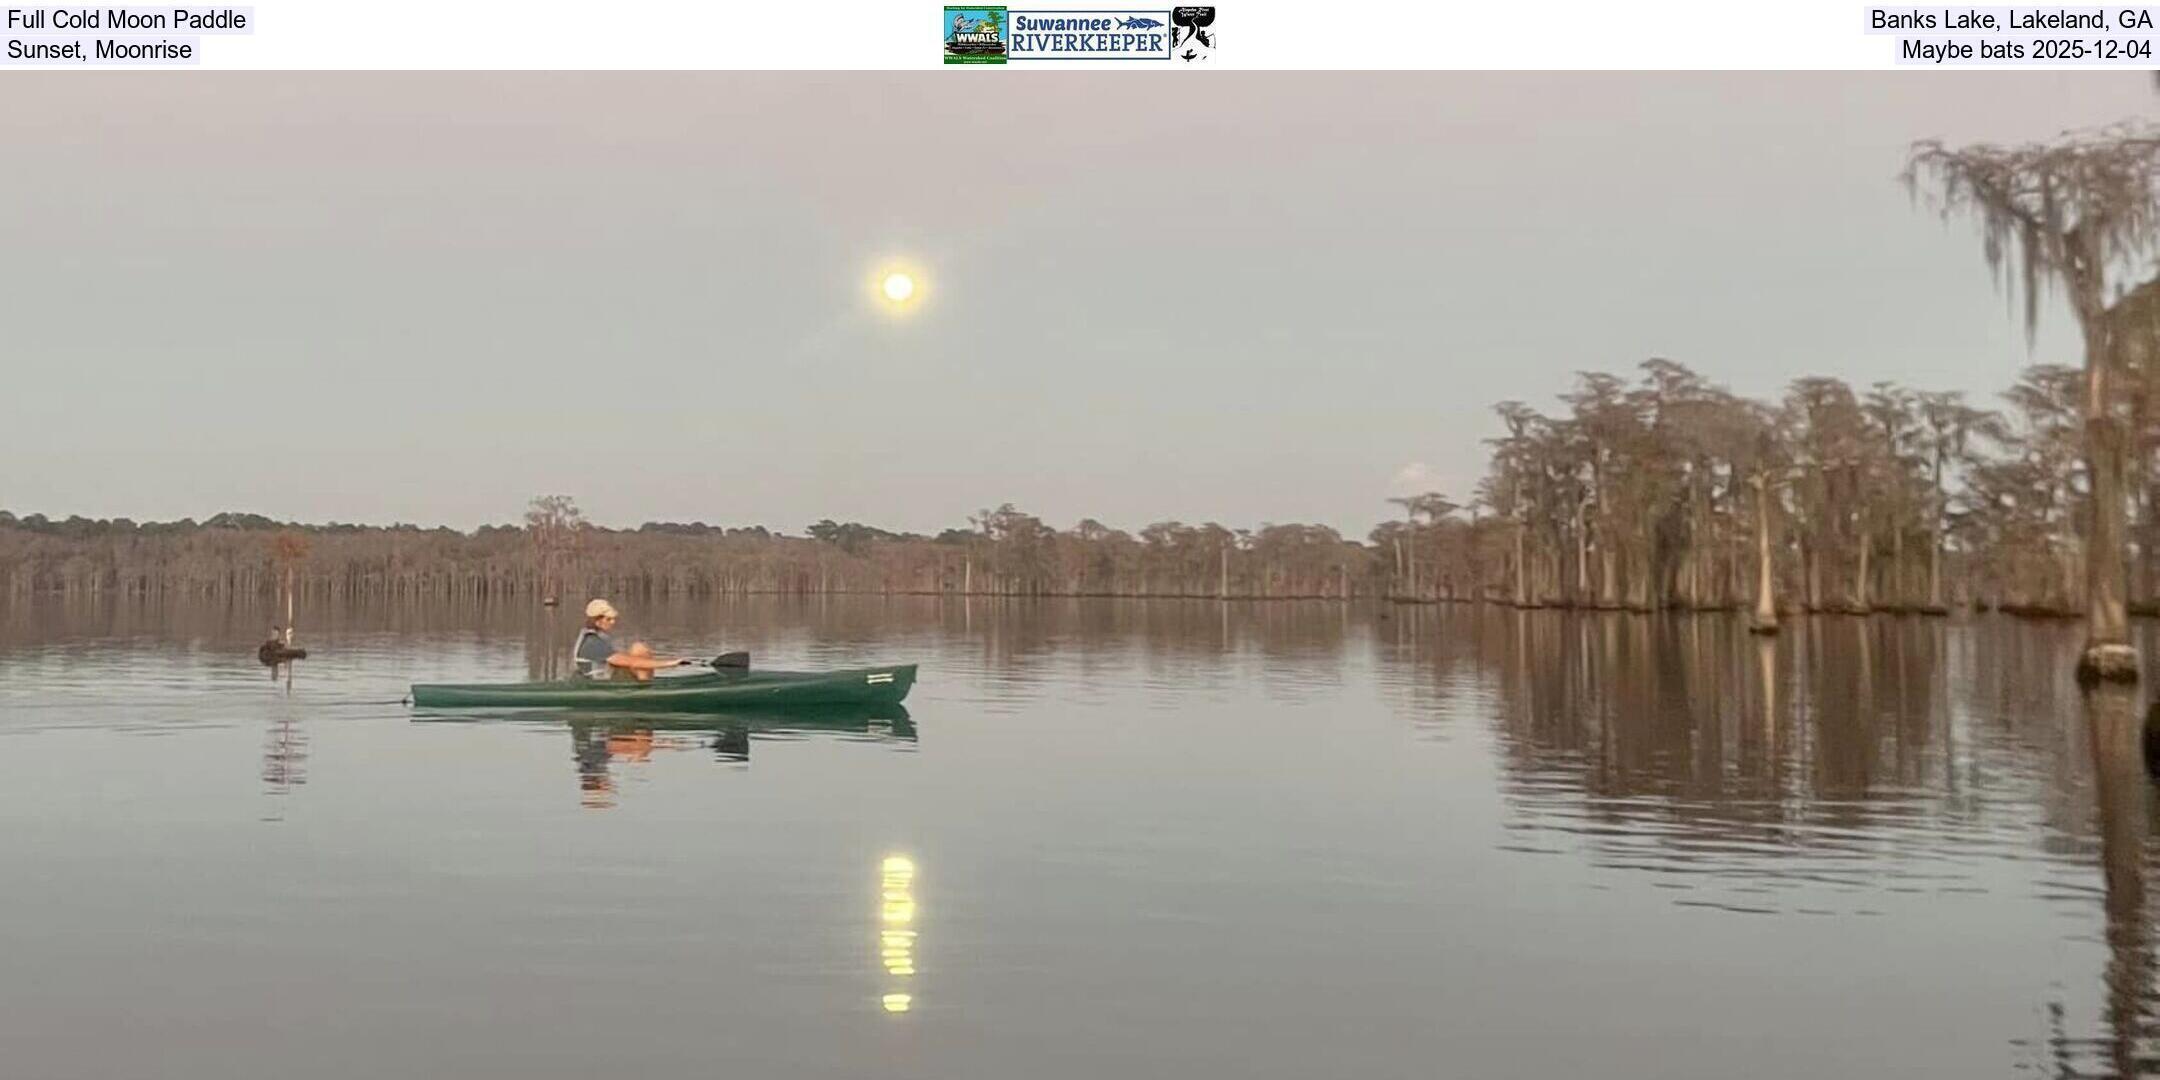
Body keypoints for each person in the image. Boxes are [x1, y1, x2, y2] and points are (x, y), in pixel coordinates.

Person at [573, 599, 692, 681]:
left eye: (613, 618)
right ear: (597, 621)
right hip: (601, 684)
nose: (613, 622)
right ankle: (645, 691)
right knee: (639, 649)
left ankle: (645, 686)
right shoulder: (592, 643)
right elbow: (632, 662)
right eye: (608, 619)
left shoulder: (596, 637)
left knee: (638, 649)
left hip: (607, 679)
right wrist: (671, 663)